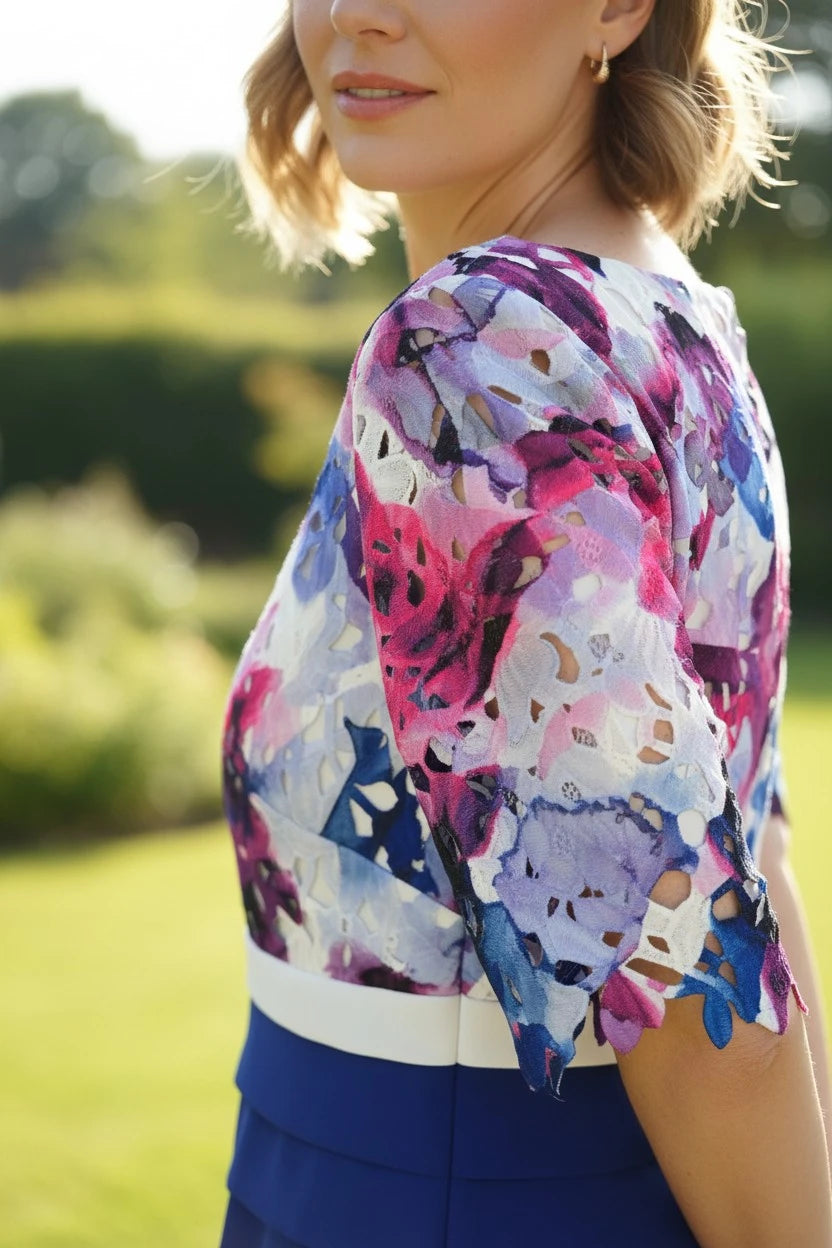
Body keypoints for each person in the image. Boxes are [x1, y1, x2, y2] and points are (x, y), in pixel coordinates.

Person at [218, 1, 832, 1244]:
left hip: (430, 1194)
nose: (354, 14)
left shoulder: (472, 350)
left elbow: (680, 963)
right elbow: (756, 865)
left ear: (614, 7)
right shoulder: (672, 318)